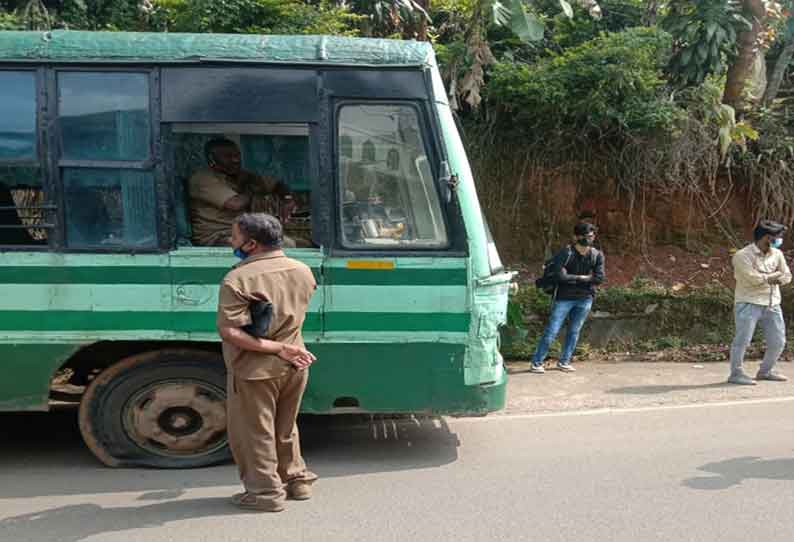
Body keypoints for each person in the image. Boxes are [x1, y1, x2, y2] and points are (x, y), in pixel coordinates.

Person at [216, 213, 318, 512]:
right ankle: (297, 481)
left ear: (250, 244)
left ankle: (264, 494)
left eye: (234, 238)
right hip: (297, 362)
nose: (230, 242)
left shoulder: (238, 278)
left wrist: (275, 348)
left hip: (255, 368)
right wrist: (286, 348)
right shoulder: (302, 270)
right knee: (286, 426)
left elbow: (230, 331)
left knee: (254, 432)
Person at [189, 138, 296, 246]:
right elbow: (235, 204)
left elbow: (276, 184)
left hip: (244, 232)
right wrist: (253, 190)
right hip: (217, 237)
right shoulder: (202, 179)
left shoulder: (242, 175)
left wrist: (287, 199)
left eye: (237, 155)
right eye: (228, 156)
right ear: (212, 160)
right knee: (285, 244)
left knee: (297, 242)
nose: (235, 160)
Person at [530, 222, 605, 373]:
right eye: (586, 236)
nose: (590, 238)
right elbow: (559, 276)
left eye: (592, 236)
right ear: (576, 237)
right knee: (552, 330)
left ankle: (564, 361)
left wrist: (573, 277)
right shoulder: (566, 253)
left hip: (585, 298)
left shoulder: (597, 255)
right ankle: (537, 362)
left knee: (574, 331)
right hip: (564, 298)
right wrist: (584, 277)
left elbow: (599, 278)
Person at [727, 220, 792, 385]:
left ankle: (766, 371)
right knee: (743, 340)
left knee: (778, 342)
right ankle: (736, 373)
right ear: (766, 237)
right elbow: (752, 279)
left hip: (772, 303)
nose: (779, 240)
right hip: (748, 303)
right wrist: (774, 275)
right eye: (777, 237)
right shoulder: (742, 256)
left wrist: (778, 278)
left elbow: (787, 276)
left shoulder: (777, 254)